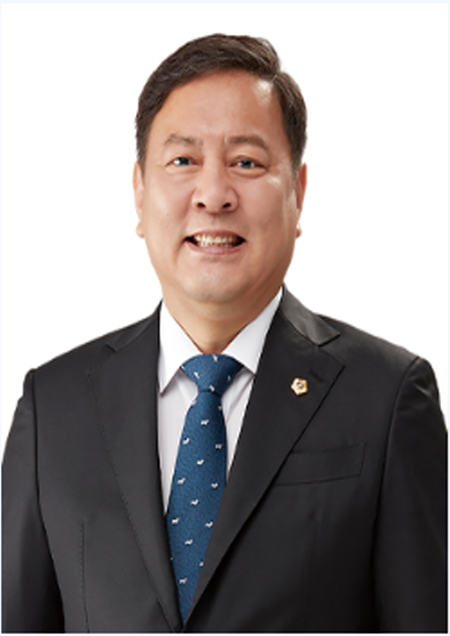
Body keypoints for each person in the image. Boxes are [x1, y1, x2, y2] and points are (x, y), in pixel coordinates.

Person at [2, 33, 446, 633]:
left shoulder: (387, 399)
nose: (213, 195)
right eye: (183, 161)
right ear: (139, 191)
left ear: (298, 192)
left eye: (246, 163)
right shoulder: (54, 407)